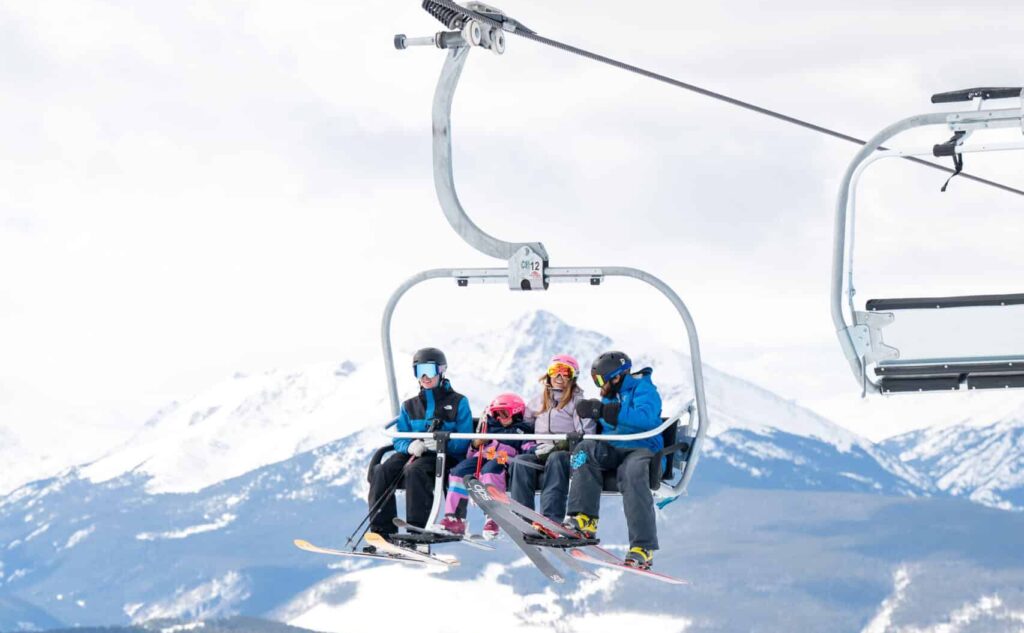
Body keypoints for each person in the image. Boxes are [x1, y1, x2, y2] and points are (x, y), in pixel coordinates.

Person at [564, 351, 664, 569]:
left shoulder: (645, 390)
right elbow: (608, 423)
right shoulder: (610, 393)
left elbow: (646, 420)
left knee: (633, 473)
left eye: (601, 380)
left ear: (617, 376)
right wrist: (593, 413)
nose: (599, 385)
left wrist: (610, 413)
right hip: (614, 447)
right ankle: (584, 519)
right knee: (584, 450)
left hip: (642, 448)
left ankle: (643, 548)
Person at [366, 347, 473, 540]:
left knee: (415, 470)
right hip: (416, 452)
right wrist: (409, 446)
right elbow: (399, 437)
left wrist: (443, 445)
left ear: (441, 371)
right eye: (419, 370)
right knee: (381, 470)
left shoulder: (458, 402)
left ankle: (417, 530)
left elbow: (465, 441)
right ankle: (382, 531)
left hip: (444, 457)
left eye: (429, 370)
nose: (424, 376)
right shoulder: (409, 406)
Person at [510, 354, 595, 523]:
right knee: (520, 461)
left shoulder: (577, 403)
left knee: (556, 459)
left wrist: (562, 446)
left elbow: (586, 436)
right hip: (541, 452)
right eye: (555, 371)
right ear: (548, 373)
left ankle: (551, 519)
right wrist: (531, 447)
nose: (559, 376)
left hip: (569, 455)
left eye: (565, 372)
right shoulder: (538, 401)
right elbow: (525, 430)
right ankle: (523, 517)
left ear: (573, 377)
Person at [439, 392, 531, 539]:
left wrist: (532, 450)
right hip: (483, 456)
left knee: (490, 471)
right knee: (458, 471)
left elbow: (529, 449)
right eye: (495, 414)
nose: (499, 418)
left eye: (504, 414)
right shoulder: (487, 427)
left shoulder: (522, 430)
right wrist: (476, 445)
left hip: (503, 458)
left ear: (516, 413)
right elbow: (470, 455)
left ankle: (494, 516)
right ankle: (454, 518)